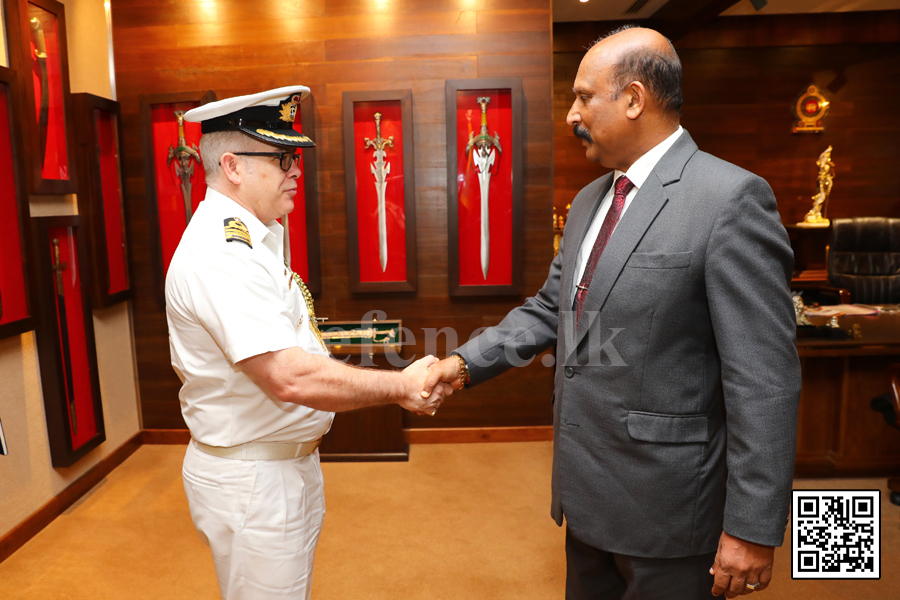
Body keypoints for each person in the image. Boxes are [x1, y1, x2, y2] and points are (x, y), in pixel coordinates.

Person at [425, 26, 801, 599]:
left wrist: (751, 527)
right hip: (588, 500)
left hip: (672, 513)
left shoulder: (730, 199)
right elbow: (553, 309)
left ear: (632, 98)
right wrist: (461, 364)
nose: (570, 114)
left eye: (582, 96)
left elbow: (764, 381)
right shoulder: (588, 201)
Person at [165, 86, 452, 600]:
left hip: (279, 464)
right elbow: (289, 375)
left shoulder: (251, 238)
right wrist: (400, 386)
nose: (295, 169)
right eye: (280, 157)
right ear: (232, 166)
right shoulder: (221, 252)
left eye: (294, 156)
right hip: (255, 480)